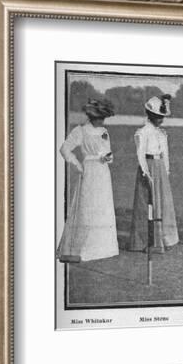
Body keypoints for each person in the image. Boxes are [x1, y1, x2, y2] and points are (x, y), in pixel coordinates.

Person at [57, 99, 119, 262]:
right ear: (92, 116)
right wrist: (77, 164)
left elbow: (108, 152)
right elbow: (64, 149)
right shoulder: (81, 131)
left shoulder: (104, 131)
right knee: (87, 207)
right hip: (89, 171)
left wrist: (108, 157)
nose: (102, 121)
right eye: (100, 117)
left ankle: (103, 248)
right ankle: (83, 248)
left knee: (102, 206)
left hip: (103, 173)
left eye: (104, 118)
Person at [128, 94, 179, 253]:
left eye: (162, 117)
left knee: (162, 203)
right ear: (150, 115)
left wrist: (166, 171)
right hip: (148, 168)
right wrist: (146, 173)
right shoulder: (142, 132)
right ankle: (144, 241)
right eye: (158, 116)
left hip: (160, 169)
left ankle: (162, 240)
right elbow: (140, 154)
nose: (161, 120)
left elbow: (165, 154)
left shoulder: (162, 133)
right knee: (146, 205)